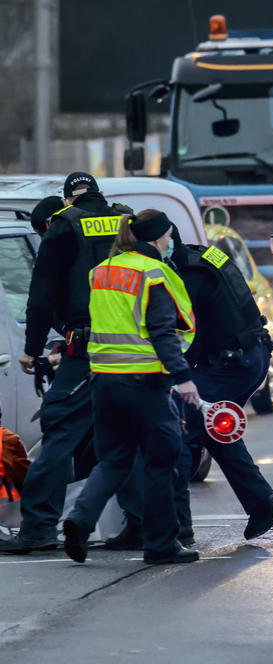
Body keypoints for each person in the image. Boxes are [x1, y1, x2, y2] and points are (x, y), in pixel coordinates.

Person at [106, 226, 273, 550]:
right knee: (213, 425)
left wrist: (172, 373)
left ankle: (176, 530)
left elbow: (187, 333)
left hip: (232, 361)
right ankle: (262, 502)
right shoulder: (200, 255)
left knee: (179, 430)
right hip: (249, 354)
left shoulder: (185, 273)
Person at [0, 173, 131, 554]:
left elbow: (41, 295)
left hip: (87, 346)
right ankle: (146, 526)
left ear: (67, 199)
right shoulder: (127, 218)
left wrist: (32, 348)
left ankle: (39, 526)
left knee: (59, 432)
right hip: (137, 348)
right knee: (132, 434)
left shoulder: (64, 226)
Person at [62, 209, 201, 565]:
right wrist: (183, 378)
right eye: (169, 236)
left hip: (104, 381)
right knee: (162, 460)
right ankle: (161, 545)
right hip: (144, 383)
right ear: (157, 237)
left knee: (114, 460)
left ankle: (79, 519)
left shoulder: (102, 271)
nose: (170, 243)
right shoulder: (153, 273)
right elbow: (163, 331)